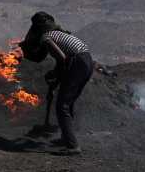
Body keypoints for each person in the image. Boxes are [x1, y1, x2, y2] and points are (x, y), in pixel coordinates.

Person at [19, 11, 94, 153]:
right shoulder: (59, 34)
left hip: (77, 62)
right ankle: (66, 138)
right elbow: (65, 61)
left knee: (62, 106)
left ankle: (73, 146)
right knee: (68, 102)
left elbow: (62, 58)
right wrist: (56, 76)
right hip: (87, 61)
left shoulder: (46, 38)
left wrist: (56, 75)